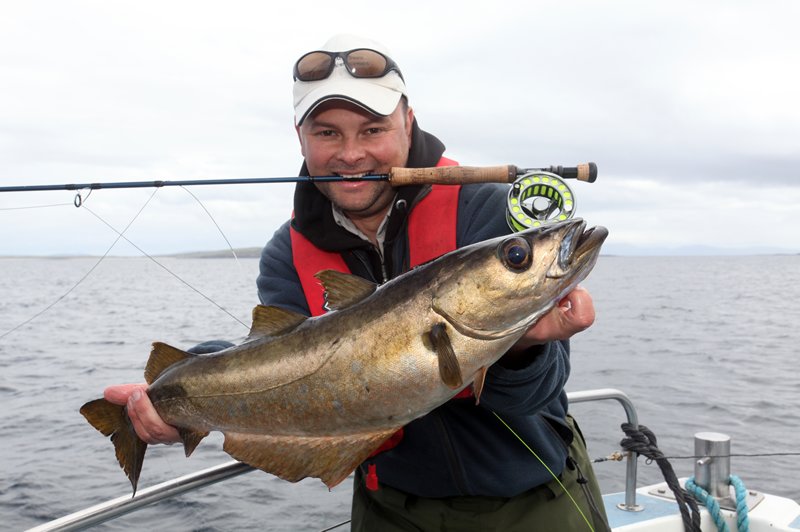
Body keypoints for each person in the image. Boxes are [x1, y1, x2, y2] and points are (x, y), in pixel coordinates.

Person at [105, 34, 610, 531]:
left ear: (409, 123)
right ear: (299, 136)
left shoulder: (486, 208)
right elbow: (279, 351)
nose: (351, 154)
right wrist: (181, 386)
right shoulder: (286, 251)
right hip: (390, 508)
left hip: (533, 496)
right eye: (327, 133)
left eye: (372, 130)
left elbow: (536, 395)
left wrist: (522, 349)